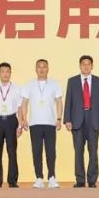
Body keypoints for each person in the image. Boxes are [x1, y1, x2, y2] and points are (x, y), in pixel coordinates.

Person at [63, 55, 99, 188]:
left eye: (88, 64)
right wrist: (67, 119)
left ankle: (92, 180)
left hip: (94, 120)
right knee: (78, 151)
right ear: (80, 66)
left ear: (92, 66)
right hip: (77, 120)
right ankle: (80, 180)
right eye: (83, 64)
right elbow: (68, 101)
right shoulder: (72, 81)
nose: (86, 66)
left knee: (93, 151)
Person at [21, 59, 63, 189]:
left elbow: (59, 102)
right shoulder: (29, 85)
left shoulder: (54, 84)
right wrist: (24, 119)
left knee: (51, 151)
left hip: (50, 123)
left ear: (48, 69)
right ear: (35, 69)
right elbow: (24, 103)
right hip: (35, 123)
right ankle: (39, 178)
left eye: (44, 66)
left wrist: (59, 118)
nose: (42, 69)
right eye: (39, 67)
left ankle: (51, 177)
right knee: (36, 151)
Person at [0, 63, 24, 188]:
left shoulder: (17, 88)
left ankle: (12, 180)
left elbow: (20, 108)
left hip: (11, 121)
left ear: (10, 73)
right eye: (3, 71)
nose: (5, 74)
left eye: (7, 71)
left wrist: (20, 126)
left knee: (12, 152)